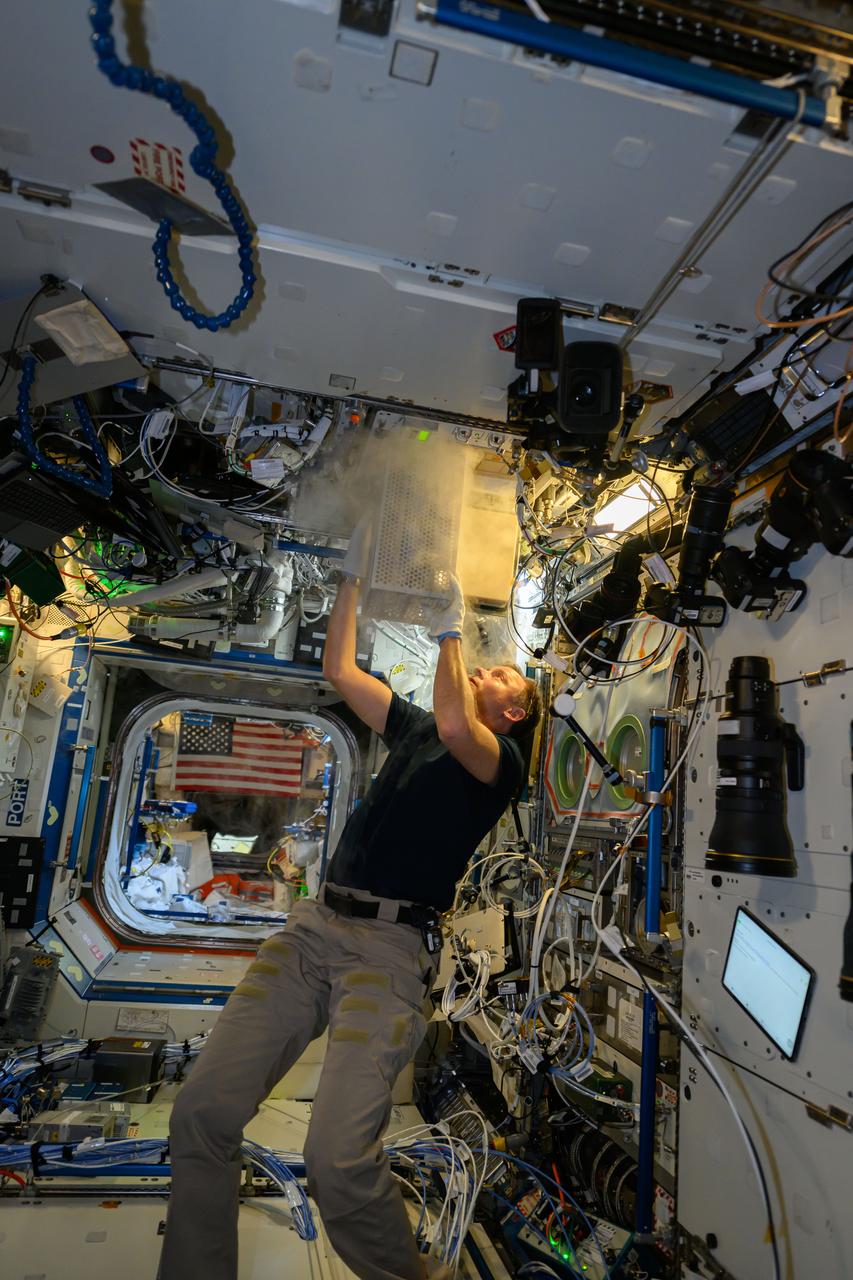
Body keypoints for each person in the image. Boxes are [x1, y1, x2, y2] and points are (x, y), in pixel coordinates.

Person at [158, 532, 542, 1280]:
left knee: (334, 1159)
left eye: (503, 677)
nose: (490, 673)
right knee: (200, 1115)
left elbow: (460, 721)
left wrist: (451, 625)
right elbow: (340, 669)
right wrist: (351, 582)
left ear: (515, 713)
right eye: (487, 665)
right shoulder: (415, 728)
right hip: (313, 930)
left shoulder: (498, 762)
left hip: (387, 954)